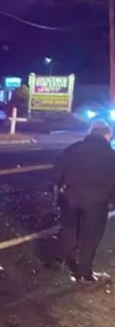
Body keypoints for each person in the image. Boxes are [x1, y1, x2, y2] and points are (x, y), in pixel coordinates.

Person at [51, 119, 115, 281]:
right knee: (90, 236)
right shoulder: (111, 155)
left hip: (71, 197)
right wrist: (112, 201)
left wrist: (59, 191)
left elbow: (57, 172)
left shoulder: (73, 149)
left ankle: (58, 259)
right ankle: (84, 272)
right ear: (107, 135)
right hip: (97, 202)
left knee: (69, 229)